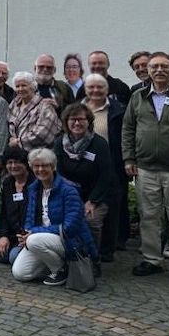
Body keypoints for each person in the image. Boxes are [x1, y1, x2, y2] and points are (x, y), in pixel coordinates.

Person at [122, 51, 169, 284]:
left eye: (164, 66)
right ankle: (152, 259)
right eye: (155, 67)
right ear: (148, 71)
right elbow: (128, 129)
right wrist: (129, 159)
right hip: (146, 168)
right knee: (148, 216)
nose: (159, 70)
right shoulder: (138, 97)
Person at [11, 148, 97, 285]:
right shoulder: (34, 189)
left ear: (53, 166)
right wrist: (25, 233)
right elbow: (29, 218)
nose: (40, 169)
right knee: (20, 273)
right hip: (40, 239)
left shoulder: (68, 190)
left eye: (45, 165)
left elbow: (70, 227)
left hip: (69, 240)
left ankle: (60, 270)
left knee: (33, 241)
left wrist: (33, 233)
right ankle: (54, 264)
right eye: (36, 166)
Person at [54, 103, 115, 270]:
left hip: (95, 196)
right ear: (66, 122)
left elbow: (105, 176)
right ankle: (67, 258)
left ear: (89, 121)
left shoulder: (99, 144)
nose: (77, 123)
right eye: (73, 119)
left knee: (90, 221)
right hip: (69, 195)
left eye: (81, 119)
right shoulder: (59, 143)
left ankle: (91, 260)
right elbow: (57, 173)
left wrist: (92, 201)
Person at [82, 73, 128, 258]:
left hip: (112, 166)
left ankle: (108, 250)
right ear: (85, 90)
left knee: (111, 208)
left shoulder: (118, 110)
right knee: (89, 209)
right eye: (91, 87)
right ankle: (88, 248)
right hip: (84, 168)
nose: (95, 90)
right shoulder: (77, 109)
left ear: (107, 90)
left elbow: (126, 137)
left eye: (99, 87)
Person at [0, 146, 34, 265]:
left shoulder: (35, 183)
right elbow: (4, 213)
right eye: (9, 162)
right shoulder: (7, 183)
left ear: (25, 164)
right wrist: (3, 236)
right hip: (12, 235)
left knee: (13, 258)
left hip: (29, 234)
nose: (13, 166)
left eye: (17, 162)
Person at [6, 71, 60, 152]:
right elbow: (8, 125)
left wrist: (18, 141)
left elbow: (43, 134)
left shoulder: (45, 106)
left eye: (24, 85)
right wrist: (10, 138)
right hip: (17, 155)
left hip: (38, 155)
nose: (20, 89)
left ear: (33, 86)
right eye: (17, 86)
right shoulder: (13, 105)